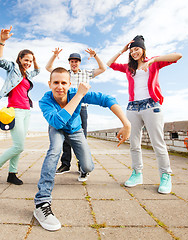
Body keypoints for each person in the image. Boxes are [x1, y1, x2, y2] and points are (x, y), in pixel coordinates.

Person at [33, 67, 131, 231]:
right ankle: (42, 201)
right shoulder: (45, 100)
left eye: (64, 83)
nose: (60, 87)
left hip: (76, 130)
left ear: (69, 84)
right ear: (49, 84)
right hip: (57, 128)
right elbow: (57, 122)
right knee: (54, 150)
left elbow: (107, 99)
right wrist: (79, 95)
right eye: (55, 82)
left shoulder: (73, 92)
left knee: (87, 166)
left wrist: (126, 123)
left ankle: (84, 168)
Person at [107, 35, 182, 194]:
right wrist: (122, 50)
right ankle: (137, 173)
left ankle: (165, 176)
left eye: (137, 49)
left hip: (152, 106)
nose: (134, 52)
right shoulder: (129, 67)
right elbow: (110, 64)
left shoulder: (154, 62)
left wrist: (153, 61)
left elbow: (178, 56)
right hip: (133, 108)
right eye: (132, 50)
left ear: (143, 50)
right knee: (134, 144)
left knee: (157, 143)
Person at [0, 26, 40, 186]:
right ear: (19, 59)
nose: (28, 63)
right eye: (26, 60)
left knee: (18, 146)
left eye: (30, 60)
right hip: (14, 111)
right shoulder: (13, 68)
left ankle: (12, 174)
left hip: (26, 111)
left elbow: (38, 70)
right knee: (19, 146)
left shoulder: (28, 74)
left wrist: (34, 59)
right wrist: (2, 41)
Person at [45, 48, 107, 180]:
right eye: (72, 61)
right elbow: (48, 68)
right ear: (69, 63)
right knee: (64, 138)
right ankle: (65, 164)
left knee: (80, 137)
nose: (74, 63)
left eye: (76, 61)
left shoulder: (86, 73)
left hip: (81, 108)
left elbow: (103, 68)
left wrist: (95, 55)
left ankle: (82, 167)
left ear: (79, 63)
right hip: (65, 108)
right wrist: (55, 56)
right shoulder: (64, 74)